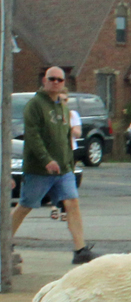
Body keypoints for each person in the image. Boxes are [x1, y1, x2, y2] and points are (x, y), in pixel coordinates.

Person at [11, 67, 97, 264]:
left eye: (60, 80)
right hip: (39, 170)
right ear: (44, 80)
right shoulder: (35, 105)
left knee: (72, 203)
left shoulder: (62, 107)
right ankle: (4, 241)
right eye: (52, 79)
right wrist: (46, 160)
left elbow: (65, 138)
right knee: (25, 206)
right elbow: (32, 137)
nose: (56, 82)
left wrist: (68, 163)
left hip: (64, 170)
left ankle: (80, 250)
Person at [50, 87, 82, 221]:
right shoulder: (52, 114)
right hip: (55, 150)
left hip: (70, 150)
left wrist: (70, 127)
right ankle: (54, 206)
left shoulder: (72, 114)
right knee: (53, 178)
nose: (63, 102)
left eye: (65, 100)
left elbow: (78, 133)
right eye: (60, 99)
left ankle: (64, 209)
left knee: (68, 178)